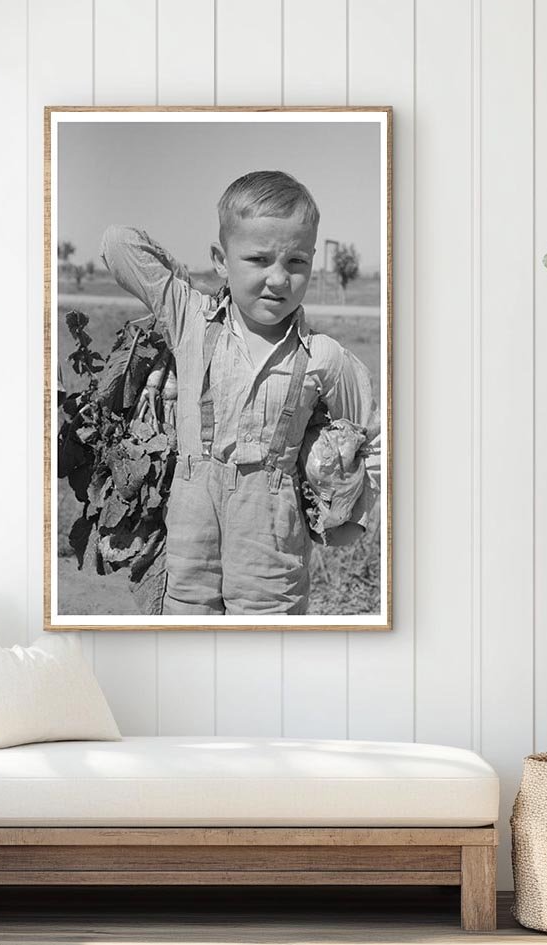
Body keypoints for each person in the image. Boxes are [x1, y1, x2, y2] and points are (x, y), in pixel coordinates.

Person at [99, 170, 380, 615]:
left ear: (312, 262)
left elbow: (370, 434)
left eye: (296, 262)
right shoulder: (190, 318)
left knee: (266, 631)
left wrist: (351, 511)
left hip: (270, 529)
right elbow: (118, 243)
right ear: (220, 259)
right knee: (188, 623)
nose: (278, 278)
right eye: (257, 259)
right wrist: (188, 281)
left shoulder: (325, 356)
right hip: (191, 521)